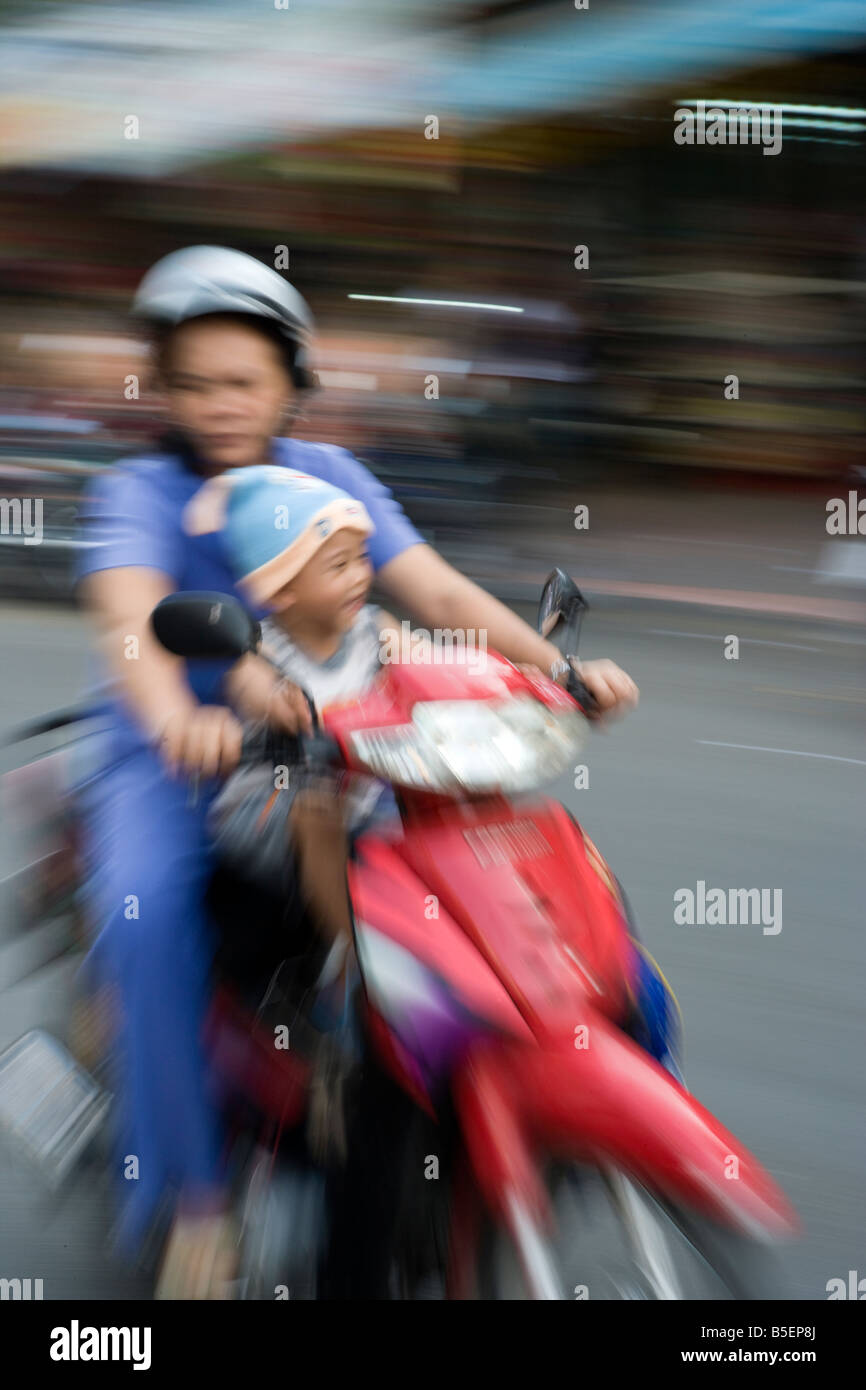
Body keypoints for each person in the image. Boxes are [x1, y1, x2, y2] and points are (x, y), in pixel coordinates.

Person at [75, 244, 639, 1299]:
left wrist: (557, 668)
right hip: (177, 768)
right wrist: (173, 718)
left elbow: (434, 591)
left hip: (336, 753)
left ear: (290, 381)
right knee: (146, 914)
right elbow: (131, 621)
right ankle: (191, 1203)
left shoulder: (325, 478)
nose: (218, 404)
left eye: (242, 380)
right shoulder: (138, 491)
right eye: (193, 382)